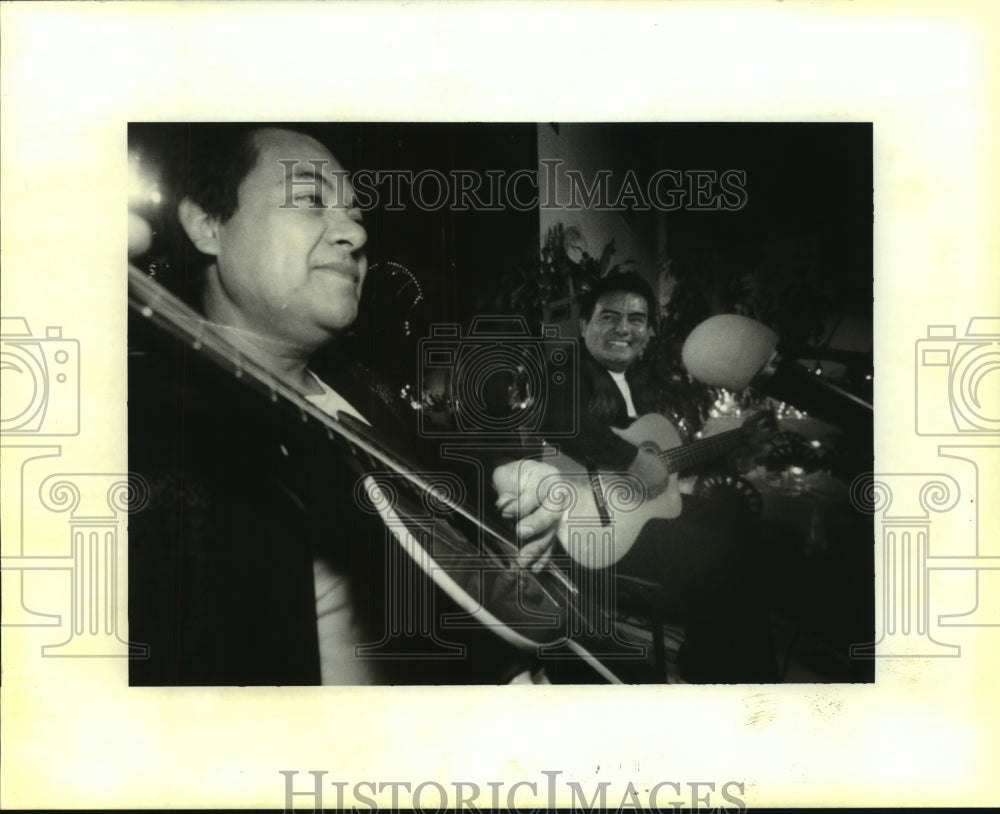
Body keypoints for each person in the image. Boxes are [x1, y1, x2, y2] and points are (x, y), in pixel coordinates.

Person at [127, 125, 565, 685]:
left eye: (356, 213)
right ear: (208, 224)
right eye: (311, 201)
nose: (354, 233)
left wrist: (516, 487)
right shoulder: (157, 428)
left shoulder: (368, 395)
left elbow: (442, 518)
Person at [530, 271, 779, 683]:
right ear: (585, 324)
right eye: (609, 317)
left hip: (634, 521)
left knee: (742, 527)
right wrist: (630, 458)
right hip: (592, 532)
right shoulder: (566, 366)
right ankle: (719, 675)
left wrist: (733, 445)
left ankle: (736, 673)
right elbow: (556, 418)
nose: (624, 328)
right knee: (721, 555)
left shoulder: (639, 385)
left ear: (647, 331)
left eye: (637, 319)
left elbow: (664, 464)